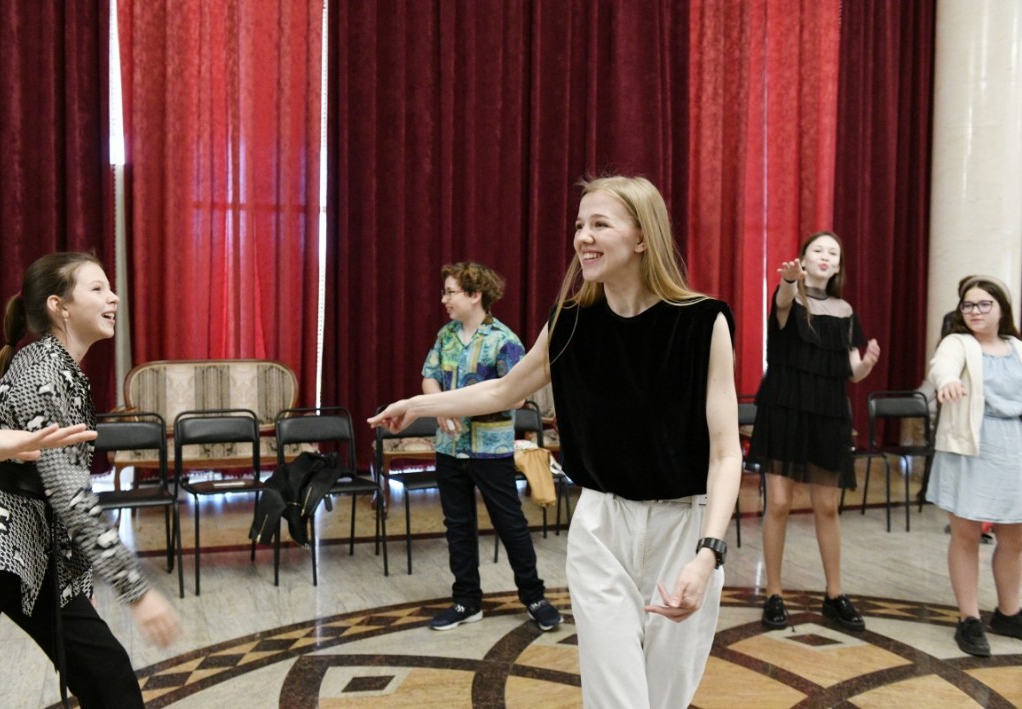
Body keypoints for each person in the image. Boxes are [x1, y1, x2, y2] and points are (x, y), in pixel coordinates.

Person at [370, 176, 740, 708]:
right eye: (579, 224)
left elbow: (726, 454)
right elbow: (504, 389)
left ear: (642, 237)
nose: (582, 237)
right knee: (615, 700)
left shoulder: (702, 322)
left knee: (664, 699)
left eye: (600, 224)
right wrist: (418, 405)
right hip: (602, 526)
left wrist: (708, 555)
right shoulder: (570, 322)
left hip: (684, 528)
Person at [0, 252, 179, 707]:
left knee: (107, 674)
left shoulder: (61, 370)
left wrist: (77, 581)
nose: (113, 297)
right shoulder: (42, 371)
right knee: (107, 675)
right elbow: (71, 495)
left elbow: (57, 493)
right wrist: (136, 590)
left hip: (28, 543)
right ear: (59, 306)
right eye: (97, 288)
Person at [749, 231, 881, 632]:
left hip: (828, 411)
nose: (826, 257)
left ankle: (835, 594)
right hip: (785, 406)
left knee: (826, 506)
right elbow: (783, 301)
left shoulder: (845, 310)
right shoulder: (788, 295)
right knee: (779, 503)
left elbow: (852, 372)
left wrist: (867, 364)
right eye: (818, 250)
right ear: (803, 261)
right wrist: (789, 281)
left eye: (833, 253)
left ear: (838, 266)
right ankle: (773, 593)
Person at [419, 261, 561, 632]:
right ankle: (466, 601)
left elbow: (516, 396)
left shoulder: (504, 340)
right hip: (449, 448)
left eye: (450, 292)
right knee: (458, 527)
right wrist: (439, 408)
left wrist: (460, 405)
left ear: (474, 294)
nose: (444, 299)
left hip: (491, 451)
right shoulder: (446, 335)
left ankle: (534, 597)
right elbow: (429, 378)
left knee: (510, 524)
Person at [925, 275, 1022, 657]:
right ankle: (969, 618)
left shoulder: (1017, 347)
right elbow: (941, 367)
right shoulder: (958, 342)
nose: (975, 311)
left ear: (1002, 309)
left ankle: (1009, 612)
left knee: (1014, 538)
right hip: (969, 447)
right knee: (966, 535)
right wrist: (947, 381)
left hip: (1013, 449)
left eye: (984, 304)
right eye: (968, 305)